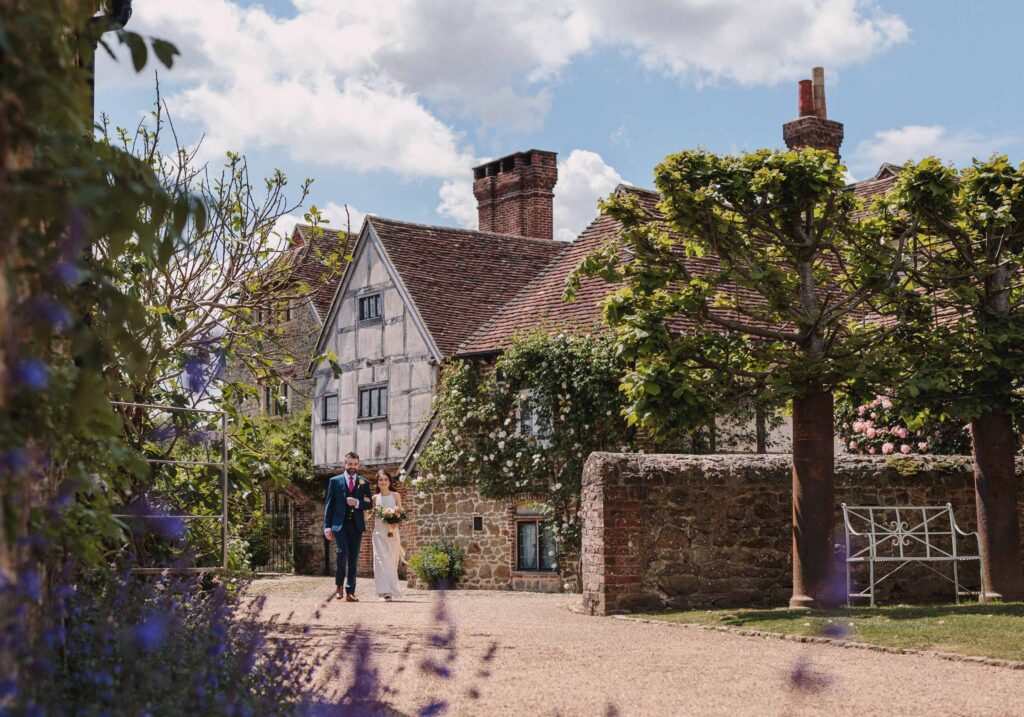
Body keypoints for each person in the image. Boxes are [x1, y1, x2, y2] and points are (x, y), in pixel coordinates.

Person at [323, 451, 373, 601]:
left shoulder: (364, 483)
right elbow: (329, 505)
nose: (352, 467)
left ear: (358, 465)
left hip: (356, 525)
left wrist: (357, 503)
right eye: (349, 464)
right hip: (340, 525)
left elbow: (369, 503)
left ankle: (350, 591)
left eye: (355, 464)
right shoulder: (335, 481)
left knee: (353, 557)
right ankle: (339, 587)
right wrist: (327, 526)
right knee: (341, 553)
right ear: (344, 464)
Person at [371, 470, 405, 601]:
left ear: (389, 481)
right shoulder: (375, 498)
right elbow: (369, 515)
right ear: (377, 483)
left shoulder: (396, 495)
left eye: (385, 479)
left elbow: (400, 512)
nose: (383, 482)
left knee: (391, 560)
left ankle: (391, 588)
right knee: (380, 560)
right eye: (381, 480)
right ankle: (384, 591)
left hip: (392, 532)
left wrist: (396, 520)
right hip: (379, 532)